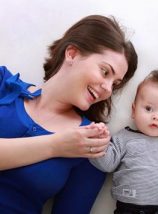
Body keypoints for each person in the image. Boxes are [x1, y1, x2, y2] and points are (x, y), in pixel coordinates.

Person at [0, 15, 138, 214]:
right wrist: (55, 145)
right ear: (72, 54)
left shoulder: (90, 142)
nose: (108, 88)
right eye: (105, 72)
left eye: (115, 84)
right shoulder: (3, 83)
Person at [90, 68, 158, 214]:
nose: (156, 117)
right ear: (134, 111)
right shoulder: (123, 138)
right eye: (148, 108)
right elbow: (107, 165)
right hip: (129, 209)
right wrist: (98, 144)